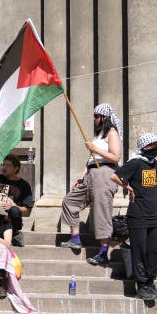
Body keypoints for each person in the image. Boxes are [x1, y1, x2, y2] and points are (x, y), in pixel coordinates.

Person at [59, 103, 123, 266]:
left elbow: (116, 157)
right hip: (91, 173)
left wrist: (95, 149)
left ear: (104, 117)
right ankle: (75, 238)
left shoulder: (112, 132)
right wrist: (82, 176)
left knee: (101, 211)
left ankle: (103, 252)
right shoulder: (98, 135)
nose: (94, 119)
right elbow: (90, 160)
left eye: (96, 116)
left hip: (105, 172)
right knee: (70, 201)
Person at [111, 132, 157, 301]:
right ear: (143, 147)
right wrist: (127, 187)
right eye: (151, 145)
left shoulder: (154, 163)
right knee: (140, 250)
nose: (154, 148)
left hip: (153, 214)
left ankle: (150, 283)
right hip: (138, 215)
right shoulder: (135, 162)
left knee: (155, 250)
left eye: (156, 145)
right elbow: (114, 176)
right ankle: (142, 286)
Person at [0, 153, 34, 247]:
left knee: (15, 210)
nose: (4, 167)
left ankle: (15, 234)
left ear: (15, 169)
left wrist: (13, 206)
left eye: (8, 165)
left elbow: (27, 210)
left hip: (11, 217)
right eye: (3, 164)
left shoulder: (24, 185)